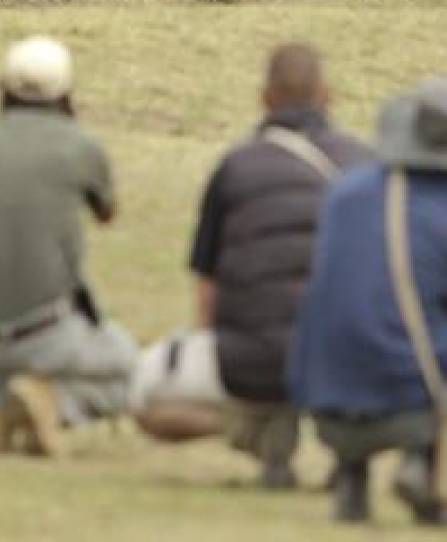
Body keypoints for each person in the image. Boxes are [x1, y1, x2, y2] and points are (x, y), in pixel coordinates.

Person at [131, 43, 373, 488]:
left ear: (265, 98)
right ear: (327, 94)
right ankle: (354, 444)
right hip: (348, 361)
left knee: (144, 399)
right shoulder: (364, 163)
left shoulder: (237, 164)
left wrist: (208, 345)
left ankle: (253, 429)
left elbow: (207, 279)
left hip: (251, 361)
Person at [0, 35, 137, 457]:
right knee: (135, 373)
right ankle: (56, 405)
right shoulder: (81, 146)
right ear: (66, 93)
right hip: (47, 330)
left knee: (8, 363)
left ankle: (4, 405)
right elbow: (107, 212)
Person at [290, 77, 447, 525]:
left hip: (323, 397)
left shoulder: (345, 193)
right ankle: (424, 461)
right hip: (410, 402)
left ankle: (351, 475)